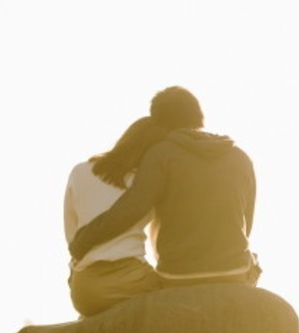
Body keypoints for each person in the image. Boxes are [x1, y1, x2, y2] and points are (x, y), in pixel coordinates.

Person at [68, 86, 260, 293]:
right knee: (254, 260)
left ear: (157, 120)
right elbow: (245, 224)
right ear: (199, 116)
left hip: (177, 275)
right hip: (234, 272)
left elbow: (131, 209)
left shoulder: (161, 154)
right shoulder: (241, 157)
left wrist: (82, 241)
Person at [64, 116, 166, 317]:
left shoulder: (79, 171)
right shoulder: (145, 184)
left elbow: (71, 233)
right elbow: (159, 243)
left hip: (83, 288)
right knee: (178, 296)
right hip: (130, 278)